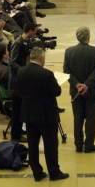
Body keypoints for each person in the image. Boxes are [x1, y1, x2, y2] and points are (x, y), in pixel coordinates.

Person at [15, 47, 68, 182]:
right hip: (46, 115)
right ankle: (54, 172)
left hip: (29, 115)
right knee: (50, 145)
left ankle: (37, 172)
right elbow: (57, 92)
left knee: (32, 145)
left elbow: (18, 91)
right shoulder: (47, 74)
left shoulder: (21, 72)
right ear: (41, 58)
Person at [63, 27, 95, 153]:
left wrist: (77, 84)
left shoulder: (68, 52)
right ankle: (89, 145)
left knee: (77, 118)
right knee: (91, 119)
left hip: (75, 91)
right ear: (88, 37)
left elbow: (66, 72)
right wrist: (86, 85)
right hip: (91, 91)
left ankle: (78, 145)